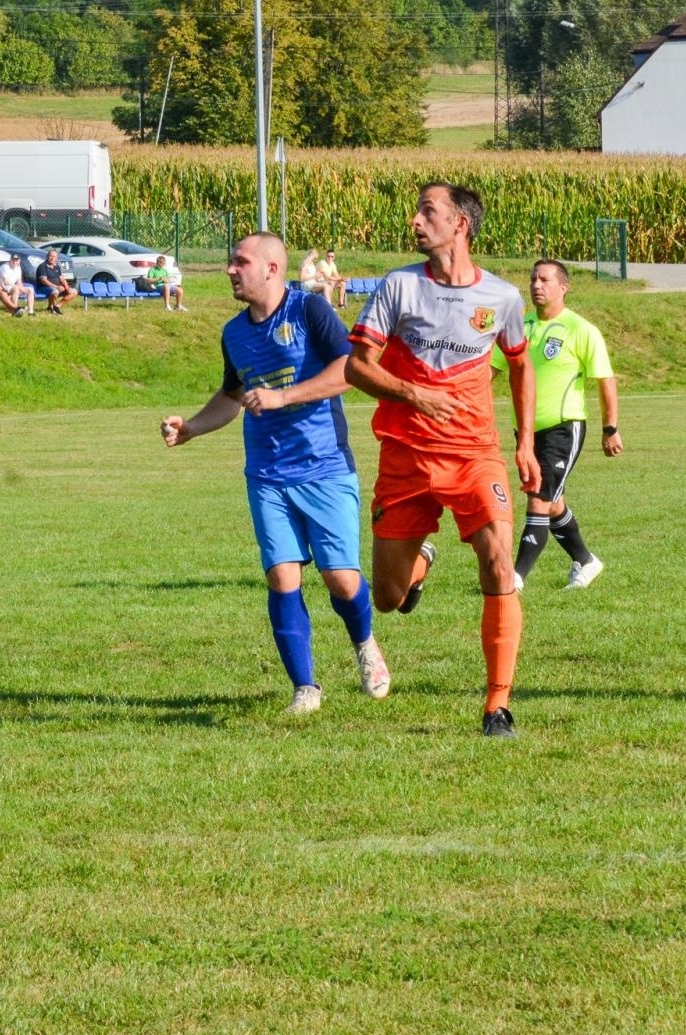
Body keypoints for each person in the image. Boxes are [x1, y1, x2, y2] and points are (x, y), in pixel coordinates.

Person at [161, 231, 389, 715]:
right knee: (282, 577)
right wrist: (192, 428)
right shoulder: (233, 333)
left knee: (340, 580)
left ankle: (365, 643)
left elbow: (347, 371)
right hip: (266, 473)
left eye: (239, 261)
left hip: (324, 465)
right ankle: (305, 688)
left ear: (271, 268)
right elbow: (231, 395)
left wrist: (282, 396)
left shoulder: (309, 311)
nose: (229, 269)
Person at [345, 182, 538, 738]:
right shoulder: (399, 286)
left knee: (499, 559)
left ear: (460, 225)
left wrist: (524, 442)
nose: (415, 220)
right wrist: (413, 395)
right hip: (405, 456)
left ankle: (497, 705)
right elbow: (358, 367)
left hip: (476, 452)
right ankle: (420, 559)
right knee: (388, 598)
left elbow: (520, 365)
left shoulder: (501, 298)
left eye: (428, 211)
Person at [492, 259, 621, 592]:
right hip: (526, 433)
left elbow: (605, 379)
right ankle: (586, 560)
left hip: (564, 428)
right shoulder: (520, 326)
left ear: (563, 287)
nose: (536, 284)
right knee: (552, 503)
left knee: (538, 498)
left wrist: (611, 428)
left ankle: (514, 577)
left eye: (545, 279)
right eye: (533, 278)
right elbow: (490, 370)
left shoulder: (581, 330)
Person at [35, 248, 76, 315]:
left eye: (54, 257)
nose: (52, 258)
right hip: (44, 288)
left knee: (74, 291)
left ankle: (57, 306)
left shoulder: (57, 267)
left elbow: (62, 279)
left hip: (58, 288)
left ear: (56, 258)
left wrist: (67, 288)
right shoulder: (42, 266)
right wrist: (56, 287)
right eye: (50, 256)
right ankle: (50, 307)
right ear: (47, 256)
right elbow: (44, 281)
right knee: (55, 291)